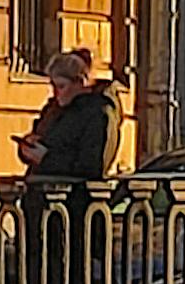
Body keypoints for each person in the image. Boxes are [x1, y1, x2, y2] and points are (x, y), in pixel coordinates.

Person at [18, 47, 118, 188]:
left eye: (61, 86)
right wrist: (29, 146)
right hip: (41, 193)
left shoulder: (99, 113)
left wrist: (45, 159)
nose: (56, 92)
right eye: (53, 85)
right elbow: (46, 141)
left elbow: (91, 167)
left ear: (80, 83)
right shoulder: (53, 109)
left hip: (72, 198)